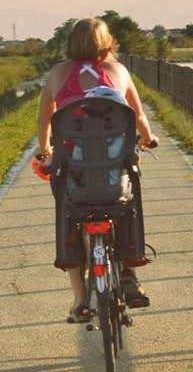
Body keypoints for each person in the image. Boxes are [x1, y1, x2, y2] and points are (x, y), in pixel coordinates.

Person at [37, 17, 158, 323]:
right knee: (128, 197)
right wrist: (148, 137)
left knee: (69, 214)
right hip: (112, 168)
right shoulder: (118, 71)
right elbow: (138, 115)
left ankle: (80, 300)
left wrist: (45, 149)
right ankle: (129, 269)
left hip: (74, 170)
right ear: (107, 44)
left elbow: (44, 120)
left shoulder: (57, 73)